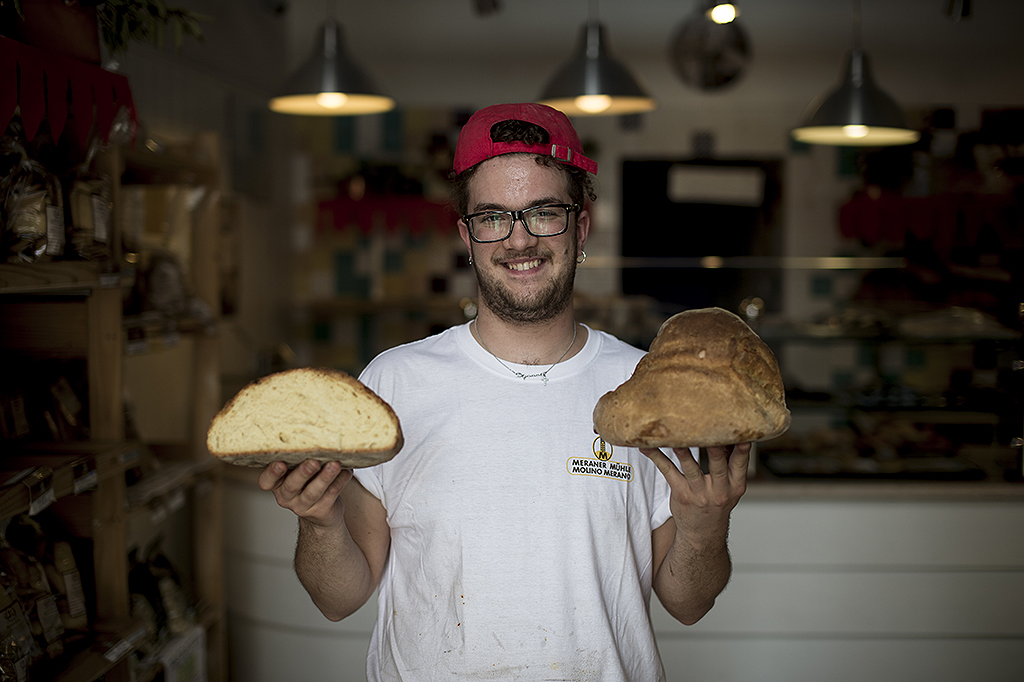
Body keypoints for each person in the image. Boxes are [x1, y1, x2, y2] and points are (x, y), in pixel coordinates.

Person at [258, 102, 751, 681]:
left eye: (544, 213)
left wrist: (706, 526)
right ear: (466, 236)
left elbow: (688, 603)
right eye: (493, 217)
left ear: (581, 227)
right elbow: (338, 598)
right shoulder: (394, 384)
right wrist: (318, 522)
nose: (519, 241)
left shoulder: (646, 391)